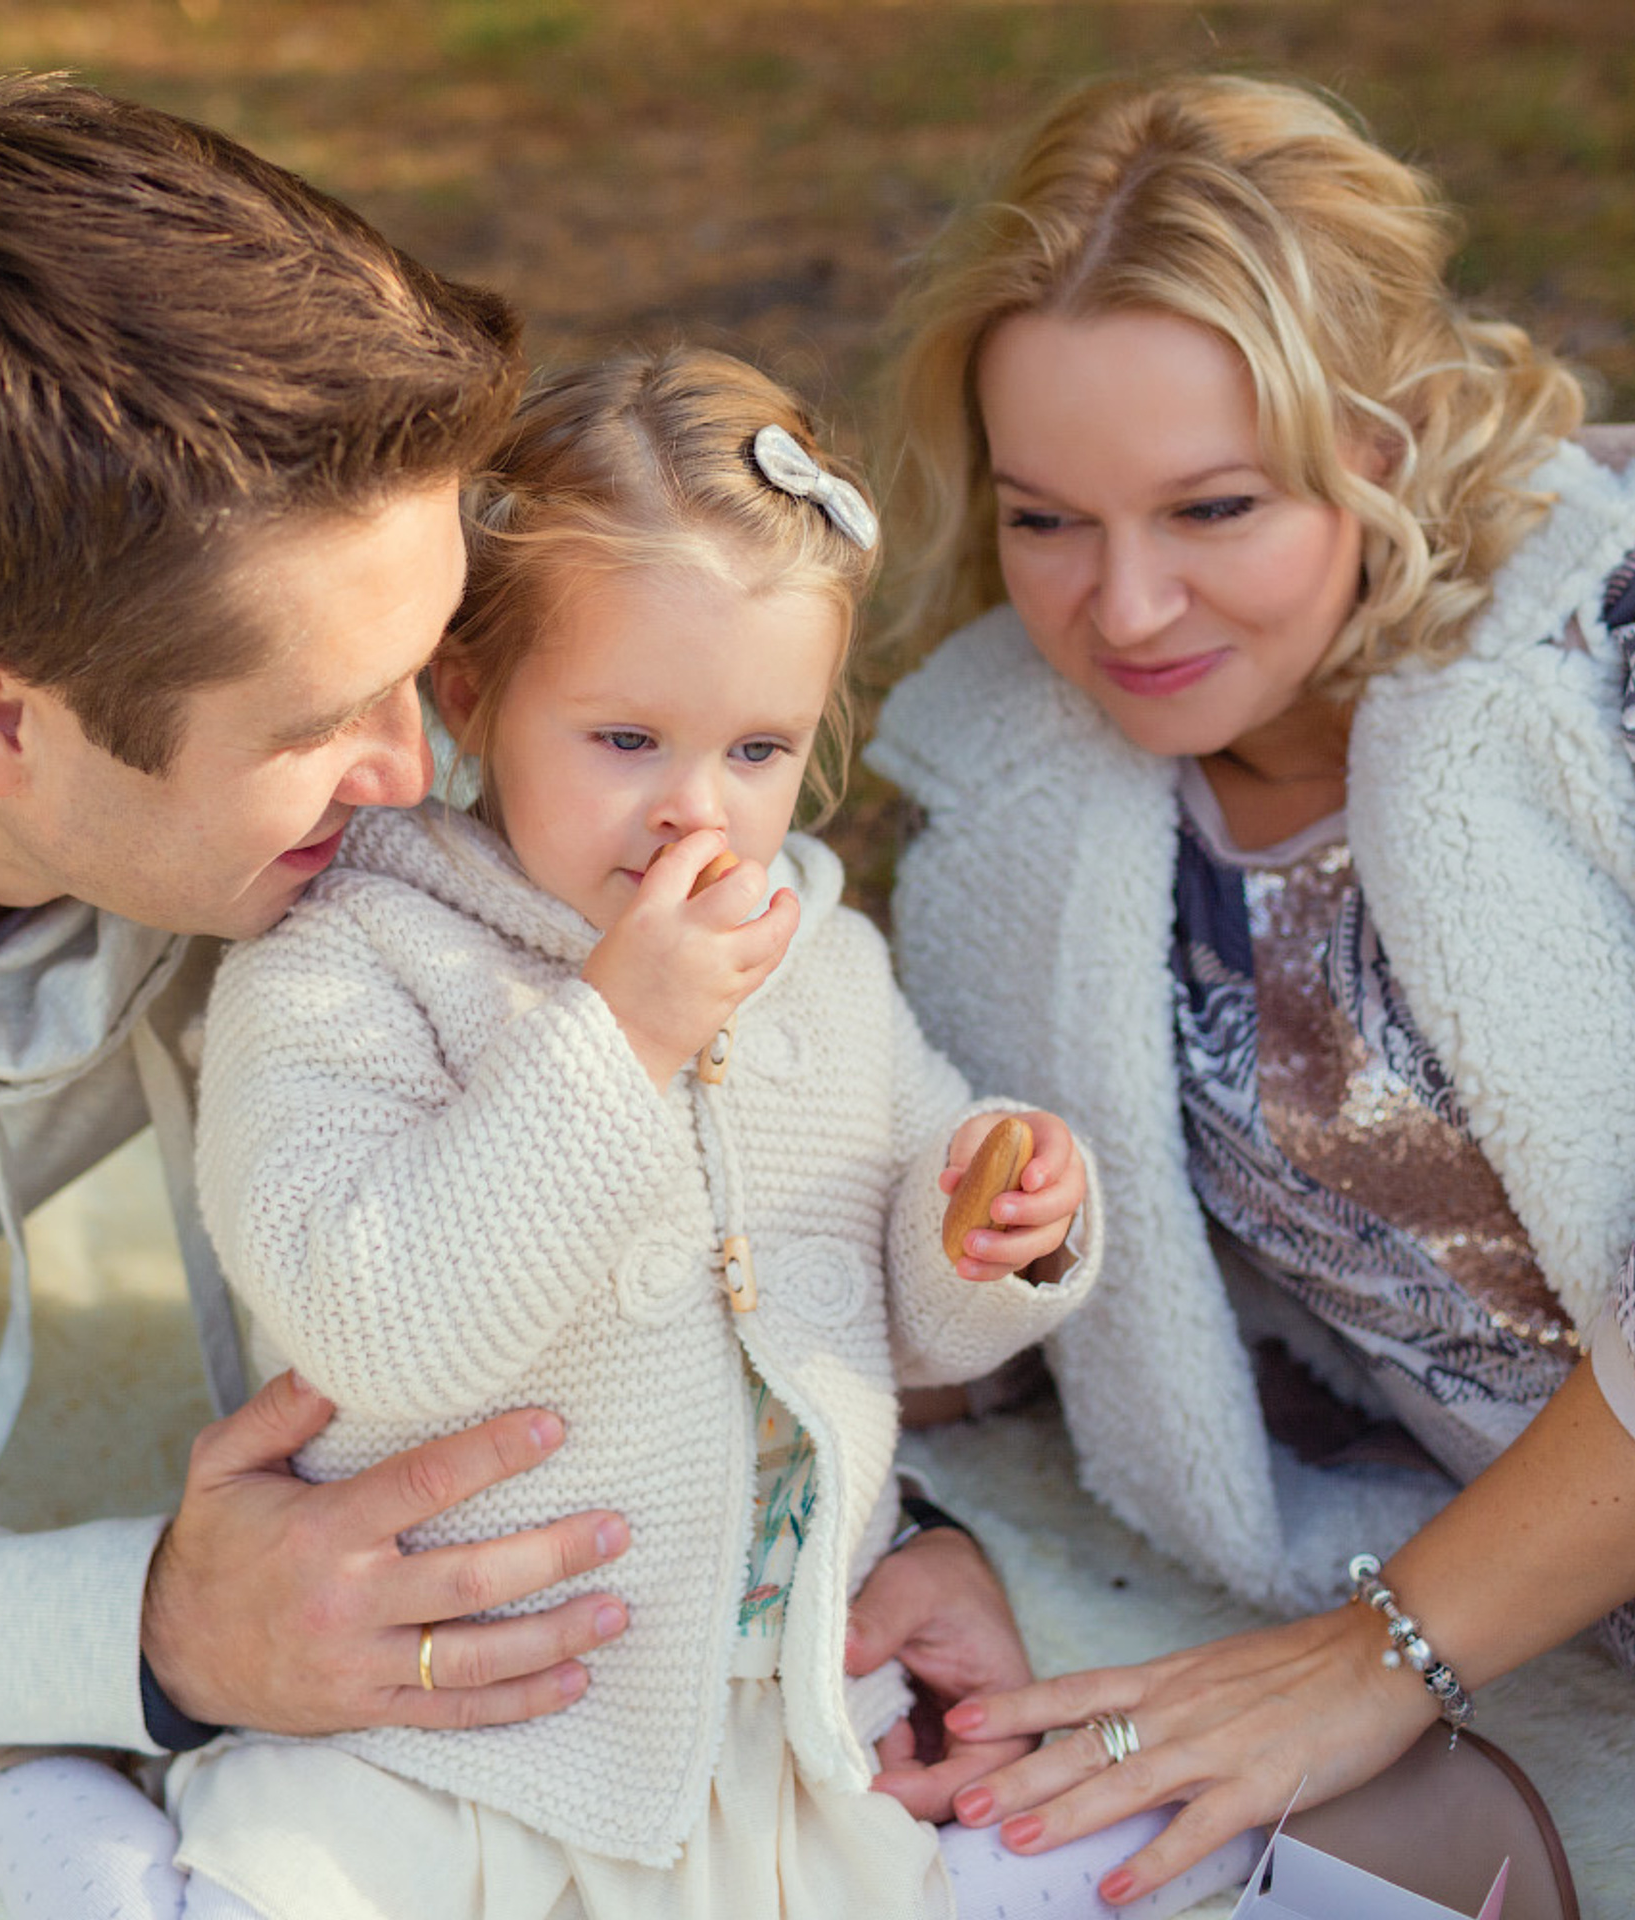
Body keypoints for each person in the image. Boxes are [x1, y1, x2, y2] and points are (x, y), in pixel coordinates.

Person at [164, 346, 1259, 1920]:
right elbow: (371, 1319)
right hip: (461, 1715)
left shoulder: (821, 962)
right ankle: (70, 1844)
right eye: (626, 743)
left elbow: (920, 1323)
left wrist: (993, 1226)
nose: (700, 813)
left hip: (777, 1684)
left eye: (757, 753)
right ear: (470, 698)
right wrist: (623, 1034)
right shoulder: (349, 962)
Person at [0, 70, 642, 1910]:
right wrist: (133, 1621)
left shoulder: (133, 552)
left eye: (430, 657)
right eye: (317, 724)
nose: (420, 771)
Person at [862, 71, 1635, 1909]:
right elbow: (1041, 1338)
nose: (1124, 609)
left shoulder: (1601, 658)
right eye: (1047, 520)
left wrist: (1380, 1665)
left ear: (1392, 436)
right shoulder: (1019, 805)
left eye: (1212, 505)